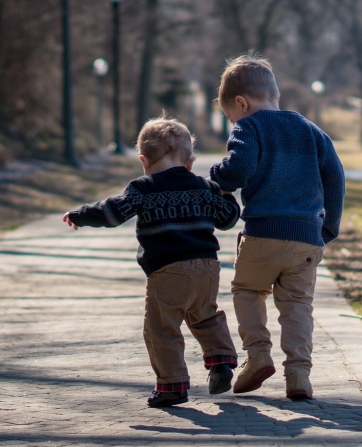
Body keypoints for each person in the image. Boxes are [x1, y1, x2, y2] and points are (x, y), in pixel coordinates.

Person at [63, 116, 241, 408]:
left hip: (168, 271)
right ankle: (221, 362)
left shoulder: (142, 188)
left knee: (161, 328)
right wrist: (227, 195)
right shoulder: (203, 186)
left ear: (143, 160)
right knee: (206, 315)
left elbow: (113, 213)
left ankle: (172, 385)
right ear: (189, 162)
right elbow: (227, 219)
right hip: (207, 268)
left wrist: (82, 215)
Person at [210, 51, 345, 400]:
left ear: (241, 103)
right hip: (306, 238)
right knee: (298, 304)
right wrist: (329, 227)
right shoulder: (311, 130)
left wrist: (216, 176)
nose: (232, 121)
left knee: (247, 290)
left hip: (263, 233)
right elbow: (335, 177)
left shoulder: (249, 126)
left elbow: (237, 171)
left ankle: (257, 355)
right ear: (274, 95)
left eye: (229, 115)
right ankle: (299, 375)